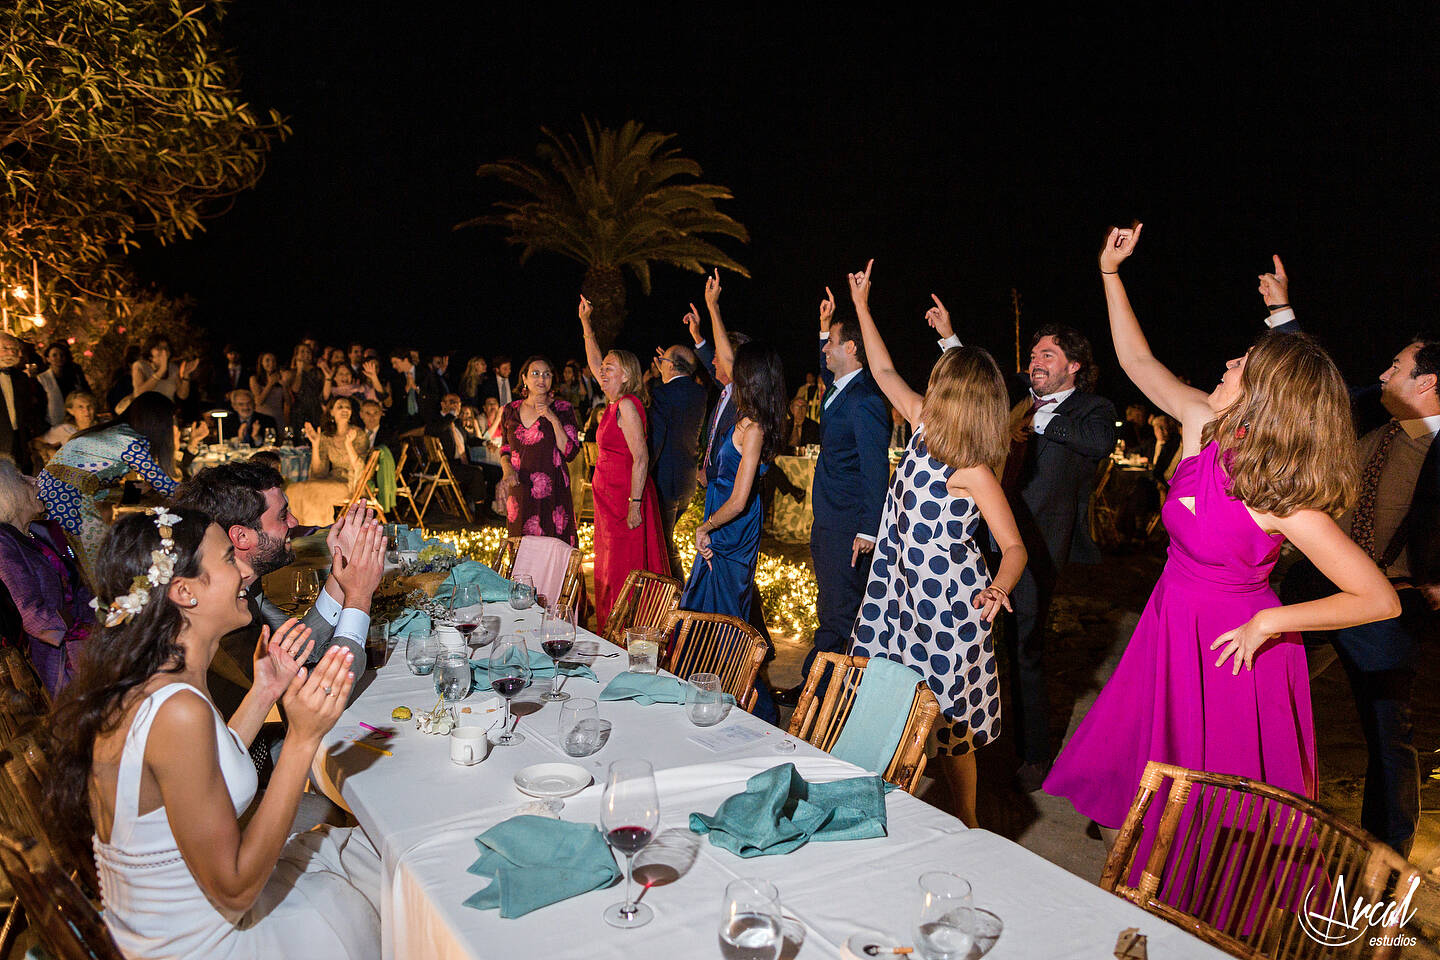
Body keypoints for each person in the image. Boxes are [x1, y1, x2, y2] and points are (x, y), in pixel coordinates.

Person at [1044, 223, 1400, 850]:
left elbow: (1377, 598)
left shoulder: (1277, 496)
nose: (1229, 362)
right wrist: (1110, 273)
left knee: (1214, 812)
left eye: (1242, 364)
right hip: (1169, 624)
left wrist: (1271, 624)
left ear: (1262, 396)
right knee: (1150, 788)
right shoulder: (1201, 426)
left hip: (1233, 647)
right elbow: (1136, 362)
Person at [45, 508, 382, 958]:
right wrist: (302, 739)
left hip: (173, 925)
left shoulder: (158, 680)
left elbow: (205, 768)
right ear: (184, 592)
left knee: (364, 854)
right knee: (384, 882)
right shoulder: (177, 710)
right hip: (210, 944)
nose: (246, 570)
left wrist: (264, 693)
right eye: (229, 559)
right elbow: (235, 890)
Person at [1260, 256, 1440, 856]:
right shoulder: (1363, 411)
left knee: (1389, 735)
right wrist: (1281, 311)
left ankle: (1384, 855)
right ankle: (1248, 809)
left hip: (1390, 603)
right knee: (1263, 685)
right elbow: (1318, 386)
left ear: (1428, 383)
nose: (1384, 371)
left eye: (1398, 365)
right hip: (1314, 584)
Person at [841, 262, 1026, 826]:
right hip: (899, 596)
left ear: (959, 400)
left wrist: (998, 588)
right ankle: (875, 804)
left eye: (942, 380)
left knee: (952, 731)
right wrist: (864, 306)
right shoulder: (921, 423)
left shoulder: (975, 470)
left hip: (948, 607)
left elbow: (1014, 548)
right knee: (885, 701)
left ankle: (967, 824)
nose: (930, 383)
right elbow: (882, 367)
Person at [934, 305, 1117, 790]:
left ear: (1073, 365)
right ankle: (968, 735)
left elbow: (1099, 444)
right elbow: (977, 382)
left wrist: (1037, 422)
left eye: (1048, 355)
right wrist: (950, 336)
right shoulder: (1015, 395)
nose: (1036, 361)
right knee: (970, 640)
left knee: (1024, 648)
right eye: (1034, 354)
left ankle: (1034, 753)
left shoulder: (1092, 411)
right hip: (977, 539)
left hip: (1034, 548)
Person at [173, 464, 382, 712]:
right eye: (282, 516)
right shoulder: (218, 615)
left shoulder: (241, 585)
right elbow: (320, 698)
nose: (294, 522)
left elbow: (296, 648)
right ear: (241, 537)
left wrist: (341, 570)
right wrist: (359, 598)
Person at [775, 286, 891, 708]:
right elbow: (825, 373)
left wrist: (868, 528)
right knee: (834, 602)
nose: (825, 350)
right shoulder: (840, 388)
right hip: (828, 516)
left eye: (832, 344)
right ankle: (828, 687)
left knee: (838, 609)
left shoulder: (865, 401)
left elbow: (877, 469)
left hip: (848, 522)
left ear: (852, 348)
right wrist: (822, 326)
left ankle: (817, 692)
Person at [678, 296, 786, 723]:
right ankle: (702, 688)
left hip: (731, 528)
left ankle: (748, 704)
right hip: (718, 519)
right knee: (705, 612)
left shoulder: (755, 427)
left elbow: (740, 499)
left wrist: (706, 527)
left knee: (727, 620)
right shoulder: (740, 414)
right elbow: (720, 353)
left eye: (735, 365)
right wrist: (712, 306)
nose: (725, 366)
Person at [578, 297, 670, 628]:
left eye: (610, 368)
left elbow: (641, 457)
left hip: (624, 501)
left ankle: (627, 632)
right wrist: (587, 324)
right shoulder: (614, 404)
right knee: (607, 567)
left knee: (624, 569)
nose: (602, 371)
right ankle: (611, 629)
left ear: (626, 374)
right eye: (603, 369)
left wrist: (633, 504)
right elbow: (593, 362)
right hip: (607, 501)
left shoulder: (629, 406)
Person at [38, 391, 178, 578]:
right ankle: (104, 604)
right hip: (68, 499)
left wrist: (135, 491)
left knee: (85, 565)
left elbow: (92, 486)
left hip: (54, 494)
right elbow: (168, 488)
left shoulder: (117, 432)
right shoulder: (129, 442)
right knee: (99, 565)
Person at [0, 460, 96, 695]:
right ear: (7, 495)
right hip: (62, 656)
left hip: (85, 639)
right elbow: (33, 617)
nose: (35, 480)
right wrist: (84, 630)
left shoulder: (40, 531)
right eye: (22, 479)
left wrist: (99, 615)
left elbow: (77, 583)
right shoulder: (3, 545)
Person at [498, 355, 581, 544]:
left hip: (554, 488)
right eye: (535, 374)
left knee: (554, 546)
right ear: (524, 378)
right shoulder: (510, 410)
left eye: (547, 374)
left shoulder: (562, 408)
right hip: (520, 487)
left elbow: (570, 451)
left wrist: (552, 419)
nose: (541, 379)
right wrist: (506, 467)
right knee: (520, 544)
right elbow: (505, 448)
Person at [646, 341, 708, 578]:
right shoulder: (699, 393)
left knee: (662, 542)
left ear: (671, 366)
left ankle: (677, 591)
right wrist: (668, 363)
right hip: (686, 481)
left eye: (663, 362)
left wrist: (642, 475)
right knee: (666, 538)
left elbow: (657, 440)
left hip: (664, 482)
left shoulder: (661, 393)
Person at [0, 333, 44, 471]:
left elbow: (29, 411)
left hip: (19, 442)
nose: (11, 353)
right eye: (6, 348)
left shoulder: (21, 378)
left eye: (15, 349)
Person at [37, 340, 93, 428]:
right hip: (54, 421)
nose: (59, 357)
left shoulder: (74, 375)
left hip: (76, 419)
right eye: (54, 355)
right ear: (48, 359)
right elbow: (41, 404)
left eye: (62, 355)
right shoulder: (42, 378)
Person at [131, 333, 195, 404]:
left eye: (166, 348)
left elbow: (182, 395)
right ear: (150, 351)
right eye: (159, 348)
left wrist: (186, 376)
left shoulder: (173, 368)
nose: (163, 351)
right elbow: (138, 394)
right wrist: (161, 371)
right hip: (146, 412)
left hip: (166, 412)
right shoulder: (140, 366)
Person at [284, 343, 325, 441]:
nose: (305, 355)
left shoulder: (318, 372)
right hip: (299, 411)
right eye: (302, 352)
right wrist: (299, 371)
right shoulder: (292, 373)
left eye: (308, 352)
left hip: (314, 410)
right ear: (296, 355)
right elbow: (295, 390)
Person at [250, 352, 288, 427]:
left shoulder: (281, 377)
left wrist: (284, 385)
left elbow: (288, 401)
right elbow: (258, 401)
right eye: (267, 360)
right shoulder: (255, 379)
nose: (271, 363)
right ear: (261, 363)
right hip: (263, 417)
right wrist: (270, 384)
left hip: (278, 417)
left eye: (273, 361)